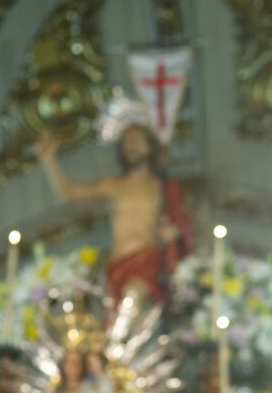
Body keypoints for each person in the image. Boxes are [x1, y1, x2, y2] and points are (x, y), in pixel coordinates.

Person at [36, 124, 192, 305]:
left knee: (133, 294)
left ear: (150, 146)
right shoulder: (114, 185)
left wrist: (174, 232)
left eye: (137, 140)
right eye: (126, 142)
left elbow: (182, 221)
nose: (131, 146)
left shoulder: (163, 187)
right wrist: (49, 161)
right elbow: (69, 192)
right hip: (118, 265)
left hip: (148, 262)